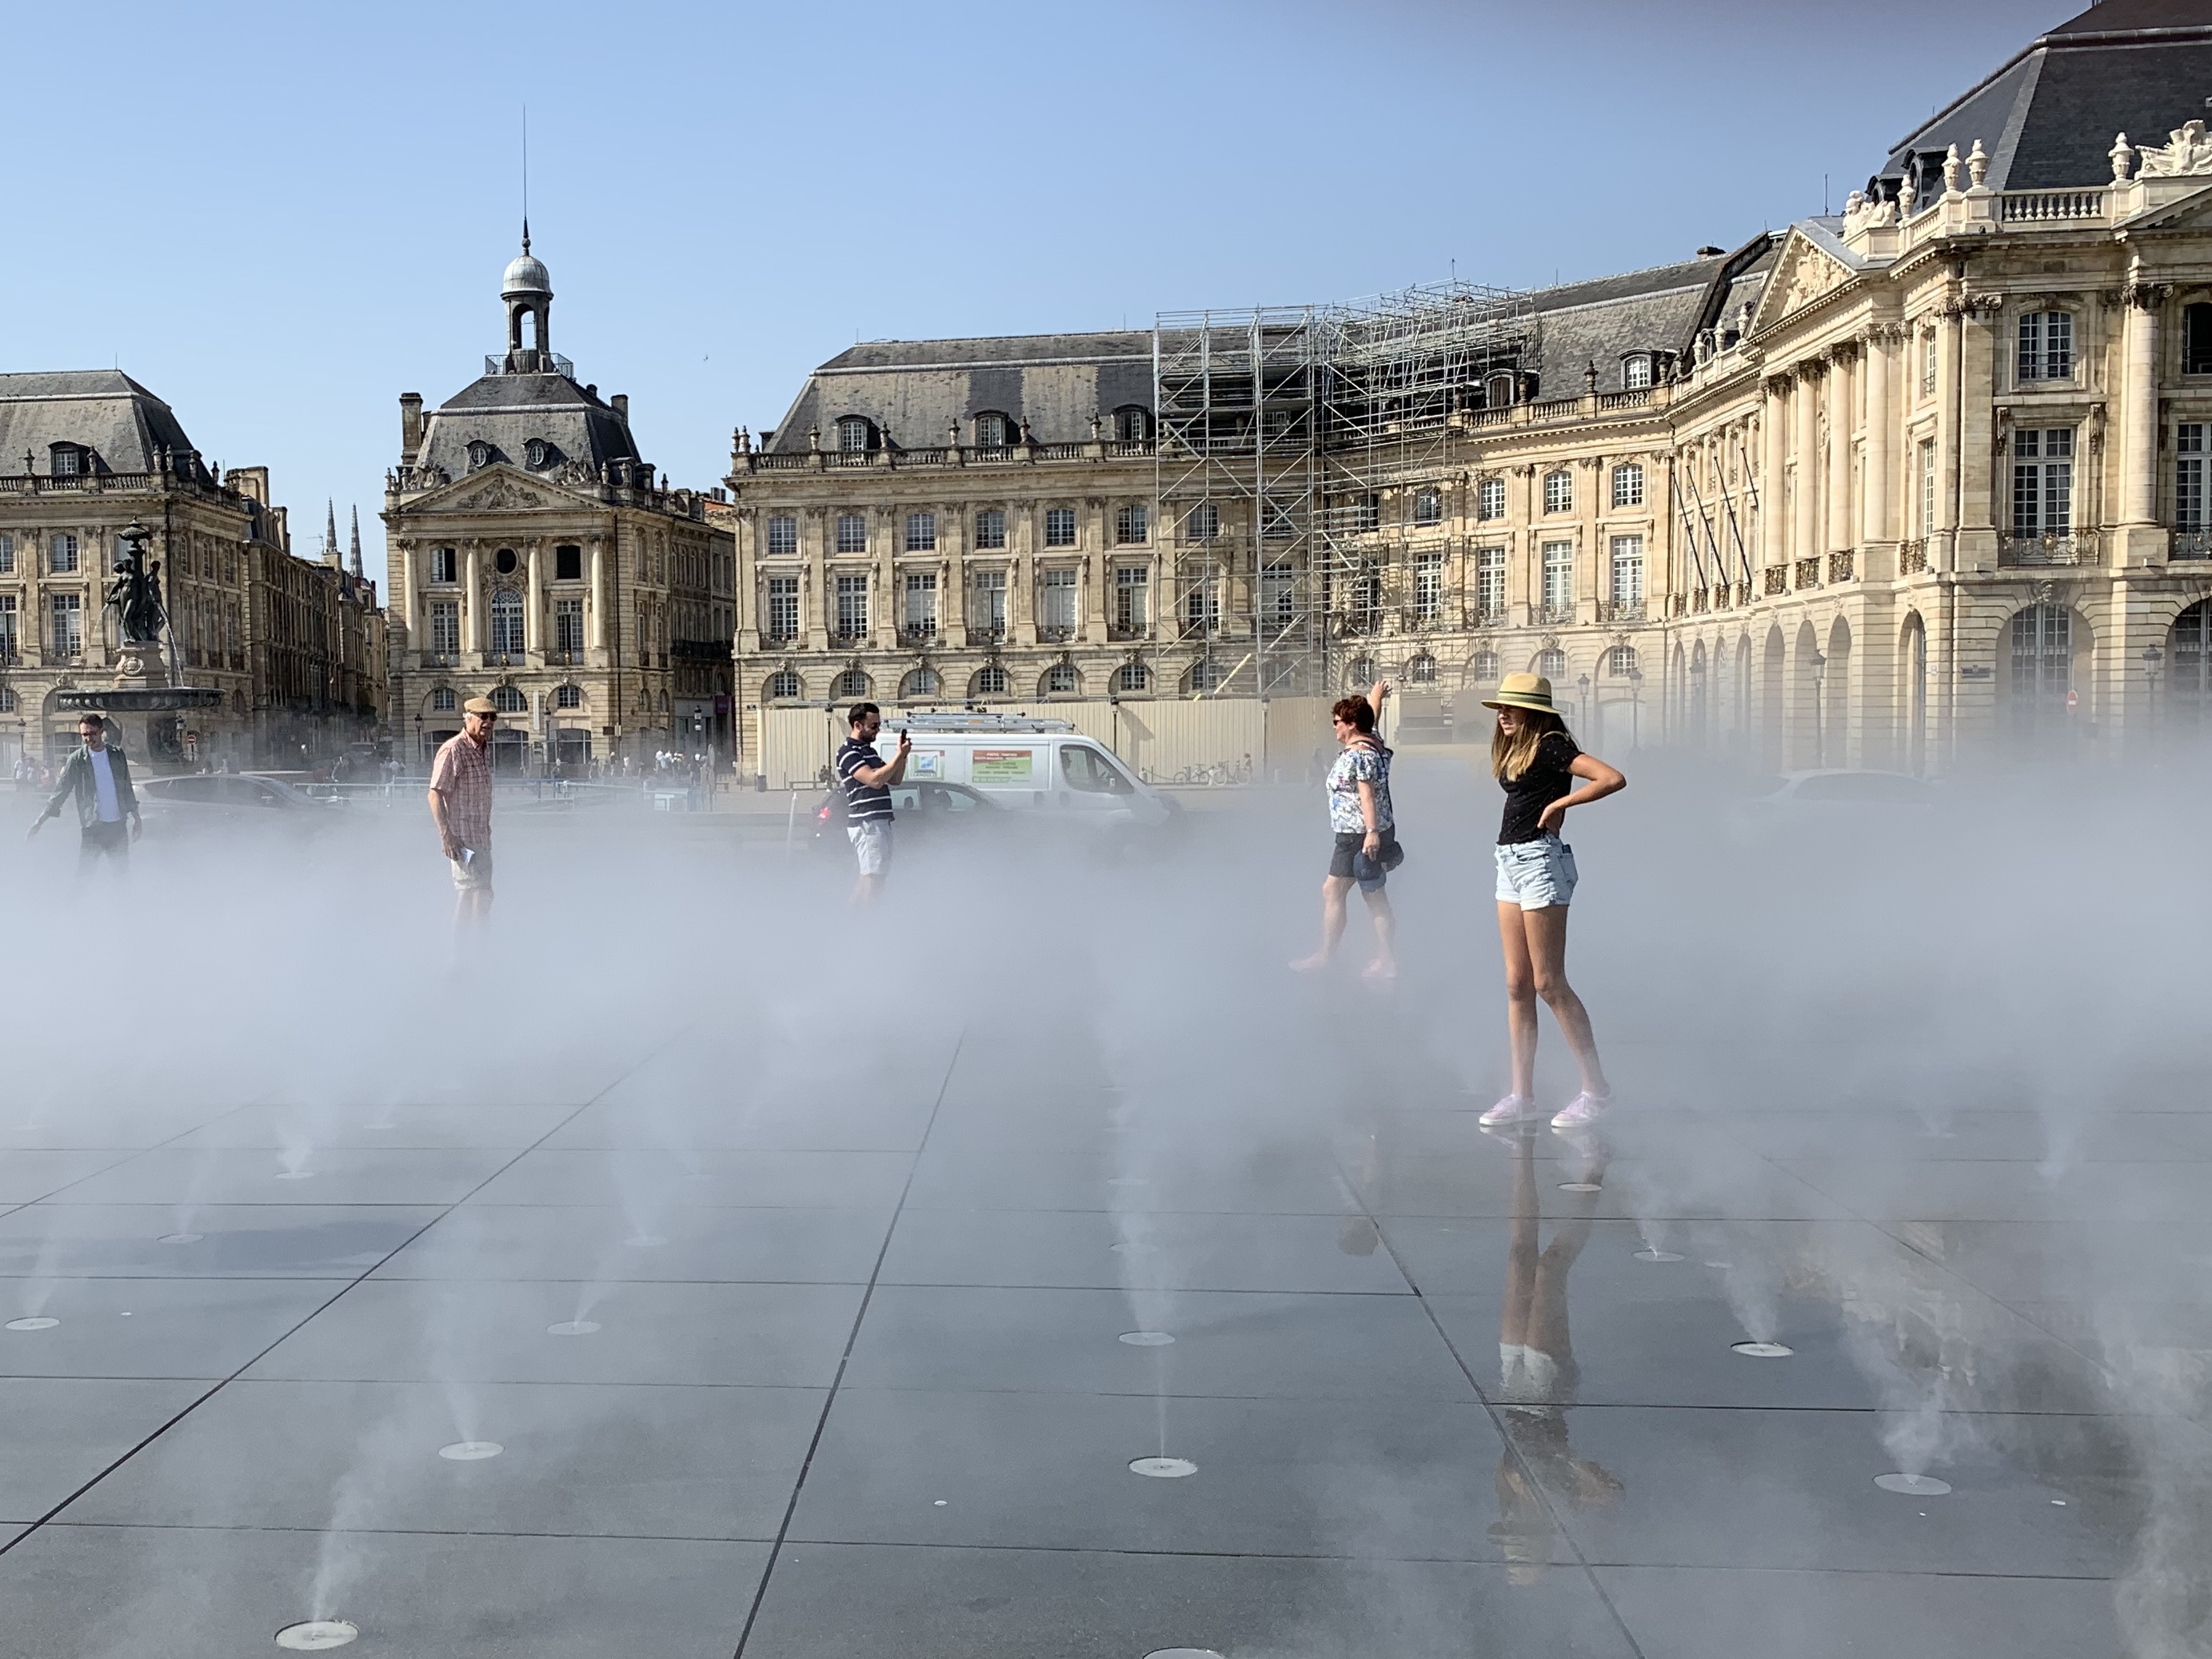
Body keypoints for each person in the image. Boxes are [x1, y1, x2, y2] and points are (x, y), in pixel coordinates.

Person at [1476, 674, 1625, 1131]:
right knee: (1517, 983)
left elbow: (1612, 777)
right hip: (1510, 861)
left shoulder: (1551, 743)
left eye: (1512, 708)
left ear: (1534, 712)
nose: (1503, 714)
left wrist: (1562, 805)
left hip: (1540, 860)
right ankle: (1523, 1095)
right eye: (1501, 707)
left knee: (1548, 982)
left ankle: (1597, 1092)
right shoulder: (1521, 747)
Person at [1292, 681, 1399, 981]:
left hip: (1358, 837)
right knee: (1360, 894)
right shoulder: (1371, 742)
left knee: (1365, 895)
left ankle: (1335, 957)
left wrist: (1372, 832)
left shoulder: (1358, 756)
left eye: (1337, 723)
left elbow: (1366, 794)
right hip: (1357, 835)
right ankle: (1378, 959)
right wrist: (1374, 698)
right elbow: (1371, 720)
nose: (1334, 728)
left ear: (1351, 725)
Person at [28, 713, 141, 869]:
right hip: (93, 828)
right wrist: (39, 823)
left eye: (92, 734)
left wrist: (137, 819)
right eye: (84, 735)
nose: (88, 739)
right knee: (84, 876)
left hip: (118, 826)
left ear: (102, 732)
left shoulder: (117, 755)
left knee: (122, 875)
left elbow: (126, 787)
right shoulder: (76, 759)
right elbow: (60, 792)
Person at [428, 696, 498, 927]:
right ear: (468, 718)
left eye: (492, 717)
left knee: (479, 892)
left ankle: (471, 950)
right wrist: (446, 835)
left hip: (481, 836)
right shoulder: (453, 749)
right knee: (472, 892)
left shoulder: (482, 749)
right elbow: (435, 793)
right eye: (483, 717)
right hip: (463, 839)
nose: (488, 722)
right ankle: (465, 953)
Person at [834, 701, 908, 905]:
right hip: (867, 821)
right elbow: (874, 780)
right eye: (873, 725)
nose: (878, 730)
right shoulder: (849, 752)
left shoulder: (870, 752)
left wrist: (902, 757)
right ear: (858, 725)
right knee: (873, 878)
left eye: (879, 724)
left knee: (872, 875)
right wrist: (898, 758)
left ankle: (857, 921)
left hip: (878, 821)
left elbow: (894, 779)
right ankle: (864, 922)